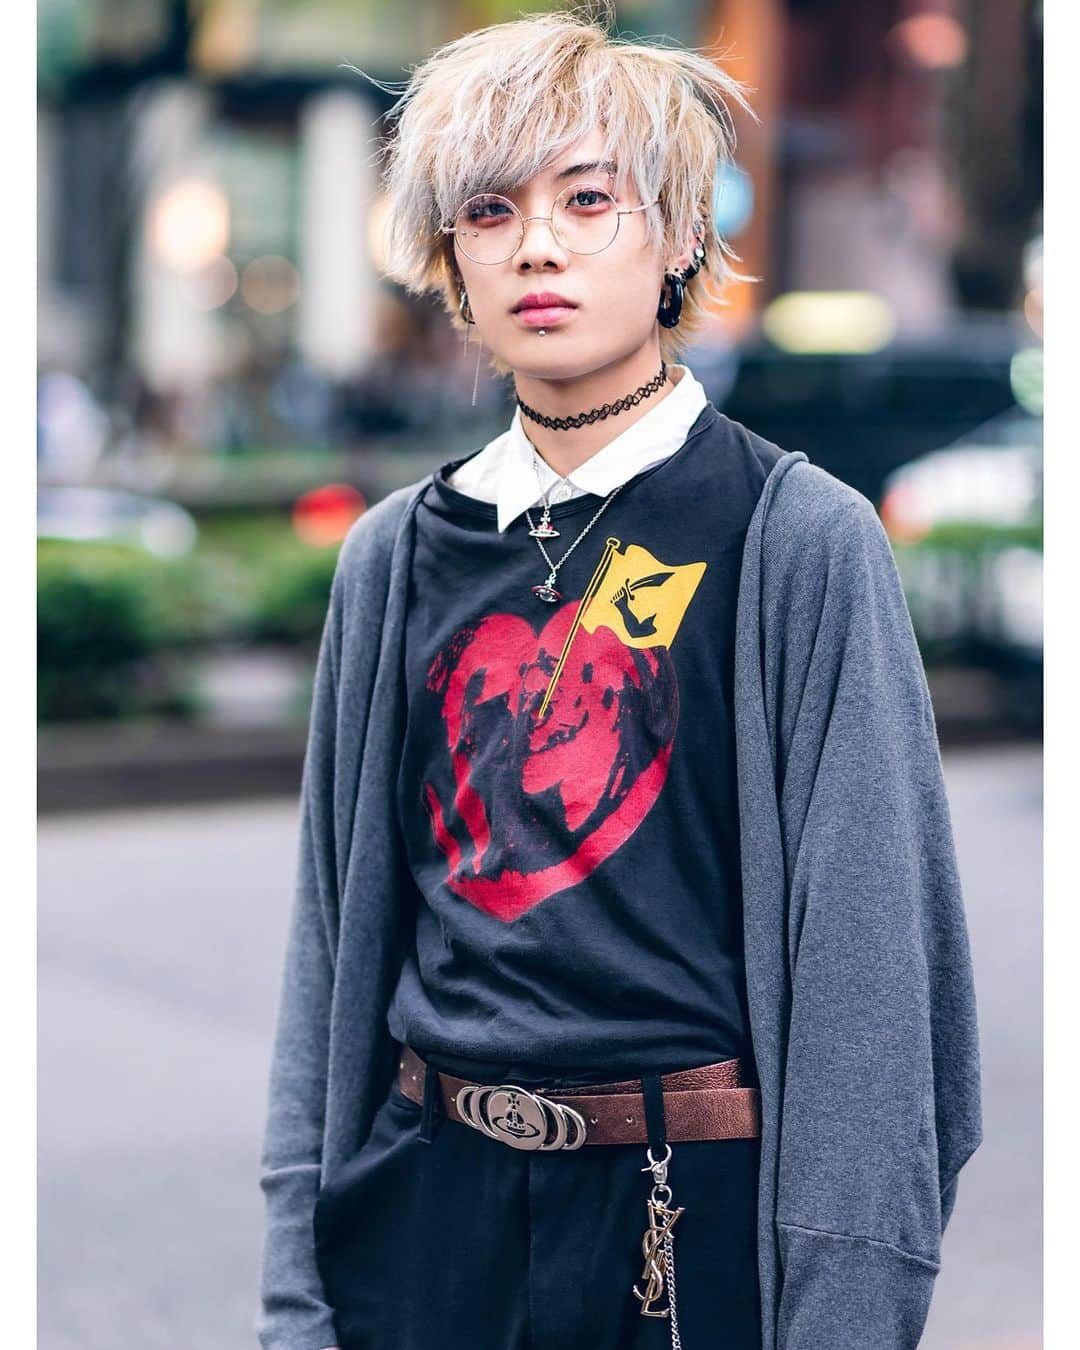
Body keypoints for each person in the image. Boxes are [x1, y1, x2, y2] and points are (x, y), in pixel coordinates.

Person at [255, 7, 983, 1349]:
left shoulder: (795, 541)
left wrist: (843, 1316)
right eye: (488, 209)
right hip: (425, 1211)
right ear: (450, 261)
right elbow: (326, 956)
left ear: (679, 238)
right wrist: (301, 1294)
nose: (538, 242)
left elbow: (881, 989)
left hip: (683, 1222)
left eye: (589, 198)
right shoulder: (393, 560)